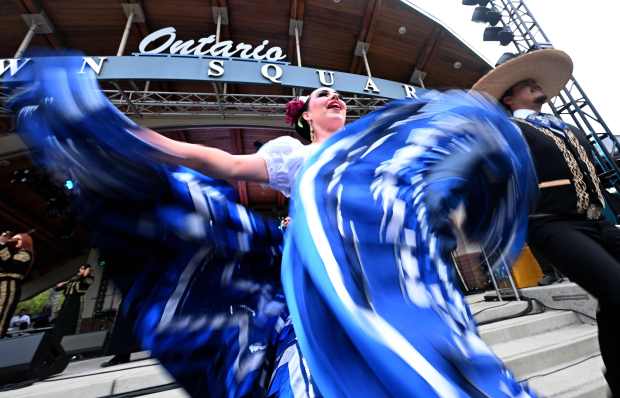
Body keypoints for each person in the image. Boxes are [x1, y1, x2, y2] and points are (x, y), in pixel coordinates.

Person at [11, 56, 539, 397]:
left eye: (338, 97)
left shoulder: (380, 150)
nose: (335, 99)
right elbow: (219, 164)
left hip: (393, 272)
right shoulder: (295, 155)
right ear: (306, 115)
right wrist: (128, 138)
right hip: (326, 266)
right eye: (321, 98)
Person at [473, 48, 620, 395]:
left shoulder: (567, 128)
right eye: (526, 84)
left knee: (612, 296)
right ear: (509, 97)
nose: (536, 85)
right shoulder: (504, 131)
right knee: (615, 289)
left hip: (596, 221)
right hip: (551, 223)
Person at [0, 231, 34, 337]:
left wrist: (2, 245)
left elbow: (9, 265)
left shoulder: (26, 254)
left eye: (17, 239)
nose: (14, 241)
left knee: (2, 311)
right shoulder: (13, 253)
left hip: (9, 285)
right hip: (3, 283)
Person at [51, 264, 94, 338]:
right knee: (62, 317)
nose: (80, 270)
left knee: (72, 318)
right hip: (67, 300)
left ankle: (68, 335)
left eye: (83, 269)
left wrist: (86, 273)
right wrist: (61, 284)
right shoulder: (72, 280)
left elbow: (85, 282)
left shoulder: (89, 278)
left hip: (76, 300)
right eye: (80, 268)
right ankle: (57, 334)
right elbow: (56, 288)